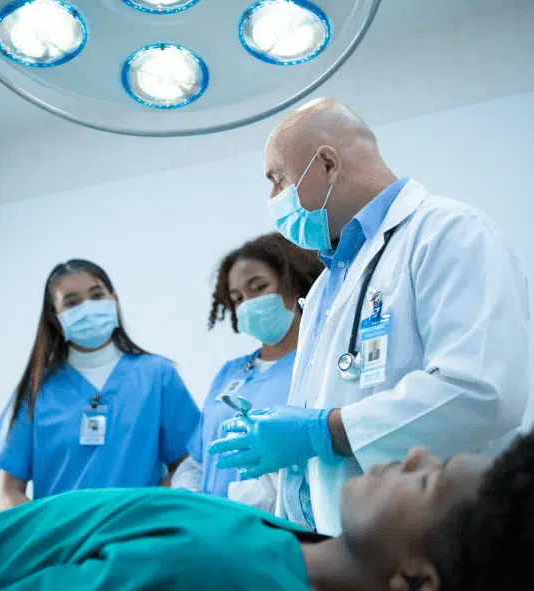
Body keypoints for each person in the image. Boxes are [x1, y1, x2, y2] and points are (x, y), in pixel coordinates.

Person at [208, 98, 529, 535]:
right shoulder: (327, 284)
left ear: (326, 163)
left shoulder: (450, 233)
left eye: (277, 180)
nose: (272, 199)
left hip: (439, 540)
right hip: (346, 546)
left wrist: (323, 431)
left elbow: (482, 391)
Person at [0, 430, 533, 590]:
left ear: (416, 578)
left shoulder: (211, 575)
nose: (417, 454)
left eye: (428, 483)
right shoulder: (304, 547)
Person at [0, 259, 199, 510]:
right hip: (62, 541)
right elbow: (9, 493)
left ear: (113, 300)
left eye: (97, 295)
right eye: (72, 302)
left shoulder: (157, 375)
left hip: (137, 536)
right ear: (54, 316)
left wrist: (142, 514)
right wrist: (49, 534)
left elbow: (187, 466)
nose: (88, 307)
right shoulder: (37, 390)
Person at [171, 233, 323, 511]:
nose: (247, 303)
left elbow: (322, 450)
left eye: (258, 287)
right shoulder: (230, 372)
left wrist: (244, 502)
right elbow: (198, 459)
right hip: (211, 527)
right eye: (237, 297)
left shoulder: (318, 364)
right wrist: (190, 496)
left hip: (278, 527)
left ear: (295, 280)